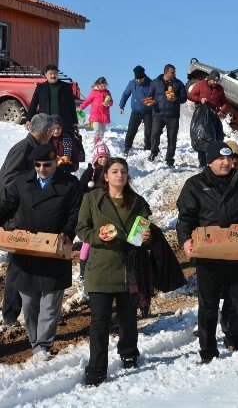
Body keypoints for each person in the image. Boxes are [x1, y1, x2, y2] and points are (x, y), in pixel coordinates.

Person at [177, 141, 238, 362]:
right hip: (208, 255)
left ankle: (233, 337)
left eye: (229, 159)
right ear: (210, 161)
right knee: (208, 303)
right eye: (221, 159)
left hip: (237, 252)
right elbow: (186, 217)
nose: (226, 163)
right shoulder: (195, 185)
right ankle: (207, 348)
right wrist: (185, 240)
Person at [0, 144, 82, 359]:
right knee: (28, 304)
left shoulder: (70, 184)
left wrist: (67, 233)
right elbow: (9, 205)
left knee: (50, 304)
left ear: (56, 162)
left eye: (47, 164)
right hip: (26, 249)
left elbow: (75, 213)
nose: (42, 169)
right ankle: (35, 340)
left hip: (54, 249)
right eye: (37, 165)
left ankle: (42, 346)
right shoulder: (22, 181)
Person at [76, 157, 152, 386]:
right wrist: (96, 237)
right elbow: (81, 229)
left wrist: (145, 238)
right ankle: (96, 368)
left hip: (129, 267)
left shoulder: (138, 202)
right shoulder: (91, 199)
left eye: (124, 172)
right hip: (100, 266)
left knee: (128, 318)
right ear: (106, 176)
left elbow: (141, 236)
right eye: (115, 171)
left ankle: (129, 352)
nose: (120, 175)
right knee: (99, 322)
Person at [0, 114, 54, 327]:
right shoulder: (24, 148)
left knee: (29, 259)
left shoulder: (32, 147)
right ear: (47, 132)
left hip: (28, 211)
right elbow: (8, 180)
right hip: (16, 214)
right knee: (18, 262)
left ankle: (23, 309)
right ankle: (10, 313)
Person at [77, 142, 111, 281]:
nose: (103, 159)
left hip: (106, 209)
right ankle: (83, 269)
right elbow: (81, 188)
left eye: (106, 157)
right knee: (88, 240)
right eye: (101, 156)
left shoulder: (110, 172)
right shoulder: (90, 172)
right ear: (96, 157)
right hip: (91, 209)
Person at [148, 64, 187, 168]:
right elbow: (149, 96)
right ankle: (154, 152)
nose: (174, 74)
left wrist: (176, 98)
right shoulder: (155, 82)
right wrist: (150, 102)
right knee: (155, 134)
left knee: (172, 138)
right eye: (172, 72)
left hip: (173, 115)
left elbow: (184, 98)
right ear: (166, 73)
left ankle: (169, 159)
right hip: (158, 114)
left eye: (174, 72)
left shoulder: (179, 83)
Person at [188, 70, 227, 167]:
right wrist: (199, 99)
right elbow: (190, 95)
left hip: (213, 116)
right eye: (214, 80)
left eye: (217, 81)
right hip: (201, 116)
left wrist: (221, 111)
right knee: (202, 138)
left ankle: (214, 160)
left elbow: (224, 102)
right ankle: (202, 163)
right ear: (209, 79)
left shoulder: (219, 88)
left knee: (218, 137)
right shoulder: (200, 85)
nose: (215, 83)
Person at [25, 64, 77, 132]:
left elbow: (72, 105)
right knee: (46, 142)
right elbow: (33, 104)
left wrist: (74, 121)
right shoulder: (40, 87)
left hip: (64, 123)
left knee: (63, 142)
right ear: (46, 74)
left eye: (55, 73)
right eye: (51, 73)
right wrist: (28, 119)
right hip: (46, 123)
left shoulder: (66, 87)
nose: (53, 76)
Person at [119, 66, 153, 154]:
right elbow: (125, 94)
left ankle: (148, 148)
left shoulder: (151, 83)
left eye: (140, 79)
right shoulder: (131, 83)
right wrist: (121, 106)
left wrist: (151, 101)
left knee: (149, 131)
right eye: (137, 79)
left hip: (148, 111)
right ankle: (127, 147)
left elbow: (155, 96)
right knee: (131, 129)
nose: (138, 81)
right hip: (136, 111)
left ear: (144, 76)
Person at [78, 77, 113, 141]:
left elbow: (111, 102)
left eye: (104, 86)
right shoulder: (94, 92)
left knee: (102, 130)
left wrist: (108, 103)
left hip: (104, 114)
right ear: (97, 85)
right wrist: (81, 107)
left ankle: (100, 141)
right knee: (96, 128)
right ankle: (96, 139)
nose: (103, 88)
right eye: (101, 86)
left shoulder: (107, 92)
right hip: (95, 113)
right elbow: (87, 101)